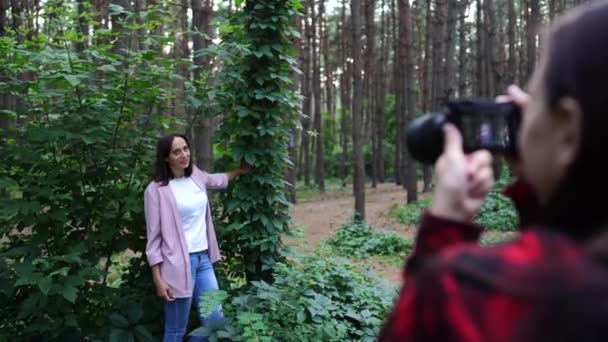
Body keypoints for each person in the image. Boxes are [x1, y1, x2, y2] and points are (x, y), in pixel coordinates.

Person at [380, 2, 608, 341]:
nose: (520, 105)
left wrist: (445, 222)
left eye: (533, 96)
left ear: (569, 130)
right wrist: (545, 192)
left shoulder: (470, 294)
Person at [144, 133, 251, 341]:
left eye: (185, 149)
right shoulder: (156, 190)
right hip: (175, 266)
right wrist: (158, 278)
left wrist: (239, 171)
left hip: (203, 260)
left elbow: (217, 180)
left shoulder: (196, 176)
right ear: (166, 158)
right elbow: (153, 238)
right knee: (176, 330)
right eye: (177, 152)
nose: (184, 155)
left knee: (213, 323)